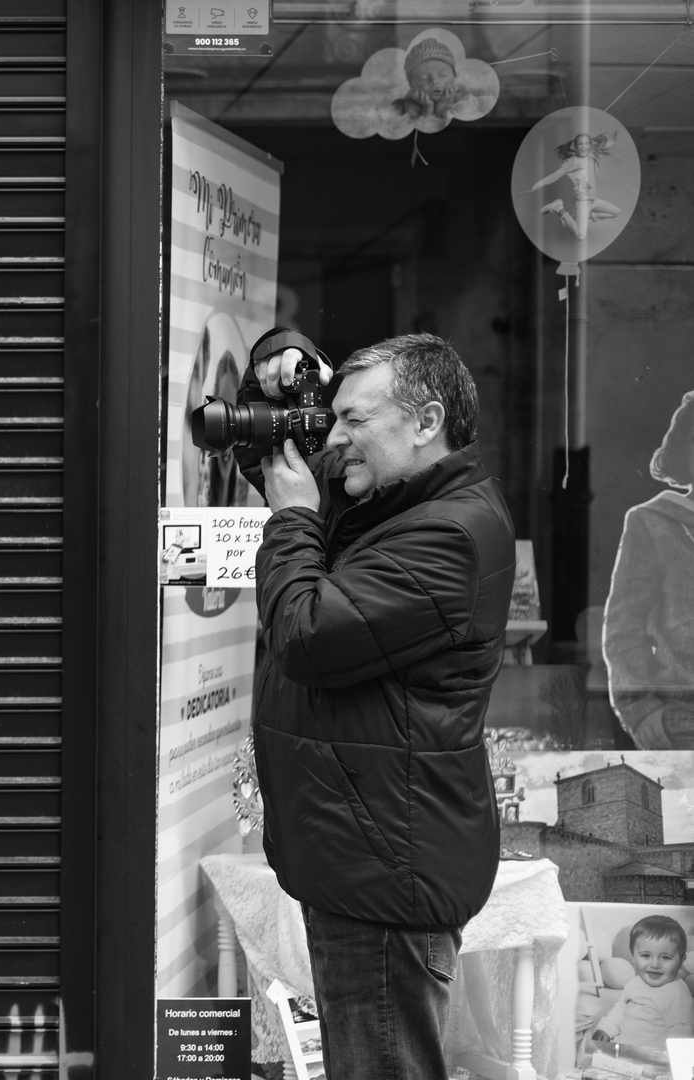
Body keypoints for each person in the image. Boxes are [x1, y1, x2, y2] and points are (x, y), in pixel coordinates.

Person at [234, 330, 515, 1080]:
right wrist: (283, 364)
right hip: (368, 852)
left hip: (385, 868)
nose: (335, 438)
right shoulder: (394, 503)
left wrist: (291, 521)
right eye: (334, 417)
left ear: (426, 421)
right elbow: (273, 456)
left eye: (355, 420)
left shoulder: (448, 535)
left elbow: (305, 636)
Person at [604, 389, 694, 748]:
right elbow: (623, 629)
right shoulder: (653, 521)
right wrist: (640, 709)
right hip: (683, 720)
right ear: (684, 450)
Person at [591, 915, 694, 1051]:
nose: (655, 964)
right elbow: (621, 1008)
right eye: (645, 955)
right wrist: (606, 1029)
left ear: (681, 961)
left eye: (665, 957)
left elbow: (681, 1033)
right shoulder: (635, 983)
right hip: (623, 1046)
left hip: (653, 1055)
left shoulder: (676, 994)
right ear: (633, 957)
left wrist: (653, 1053)